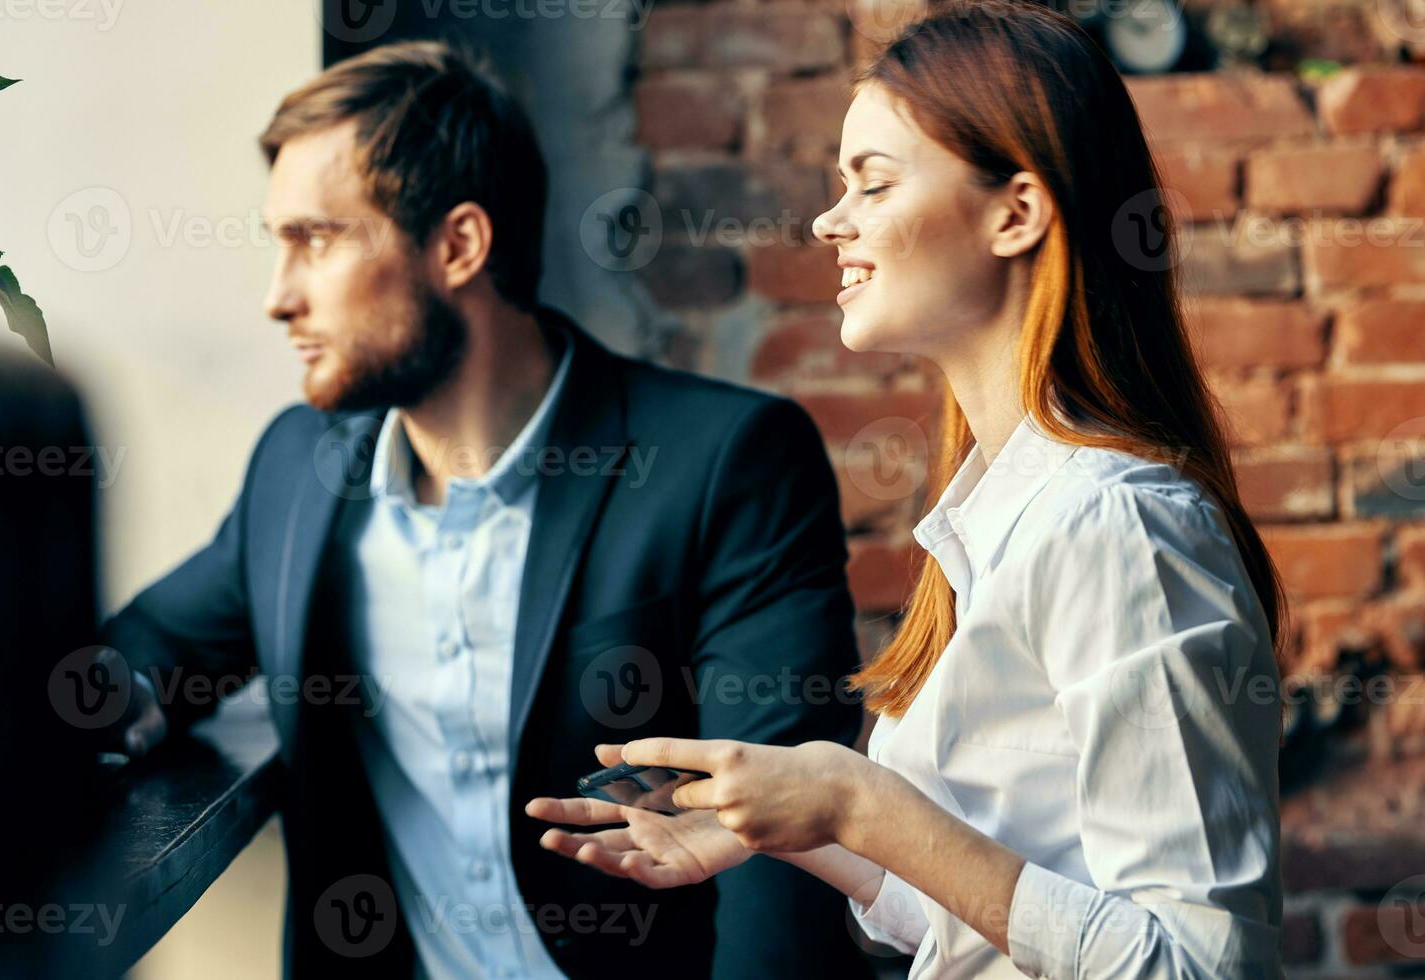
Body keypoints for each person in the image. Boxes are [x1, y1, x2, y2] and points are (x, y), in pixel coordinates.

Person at [527, 2, 1288, 976]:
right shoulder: (1003, 516)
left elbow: (1196, 962)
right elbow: (982, 929)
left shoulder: (1115, 522)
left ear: (1017, 212)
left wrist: (862, 801)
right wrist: (790, 830)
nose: (827, 219)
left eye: (872, 183)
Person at [97, 40, 871, 979]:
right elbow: (157, 648)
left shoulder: (726, 464)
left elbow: (783, 866)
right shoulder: (298, 473)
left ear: (459, 245)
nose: (278, 298)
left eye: (317, 240)